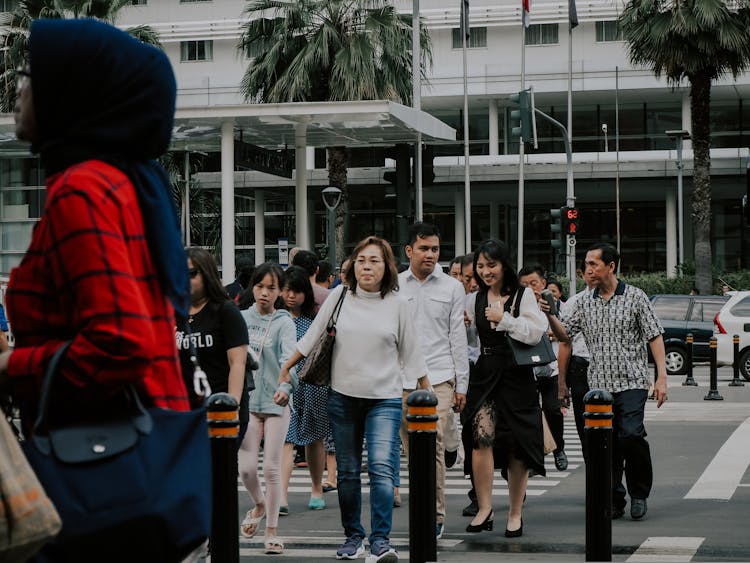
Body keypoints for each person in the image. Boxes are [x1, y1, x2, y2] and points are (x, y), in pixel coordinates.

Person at [0, 17, 193, 559]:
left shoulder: (83, 189)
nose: (17, 87)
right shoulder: (122, 181)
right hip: (137, 453)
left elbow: (120, 341)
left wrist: (9, 367)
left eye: (31, 75)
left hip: (100, 469)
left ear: (73, 92)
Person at [280, 236, 429, 563]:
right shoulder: (339, 297)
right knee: (346, 471)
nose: (367, 266)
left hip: (384, 400)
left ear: (386, 266)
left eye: (374, 260)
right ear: (353, 265)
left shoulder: (397, 304)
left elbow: (412, 352)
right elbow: (312, 336)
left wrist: (425, 388)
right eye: (362, 260)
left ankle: (380, 540)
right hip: (342, 398)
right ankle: (353, 537)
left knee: (380, 466)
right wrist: (286, 367)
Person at [547, 242, 668, 521]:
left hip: (632, 382)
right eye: (586, 264)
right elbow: (564, 335)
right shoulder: (583, 302)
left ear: (610, 266)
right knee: (606, 446)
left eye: (593, 264)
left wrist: (662, 377)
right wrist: (548, 315)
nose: (587, 270)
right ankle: (614, 498)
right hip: (598, 388)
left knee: (631, 434)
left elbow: (654, 336)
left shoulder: (636, 297)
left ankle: (639, 492)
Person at [464, 239, 547, 538]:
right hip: (485, 375)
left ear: (504, 266)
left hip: (517, 376)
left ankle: (514, 513)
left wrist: (505, 319)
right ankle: (484, 508)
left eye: (492, 265)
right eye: (481, 266)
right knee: (480, 436)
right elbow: (470, 342)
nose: (486, 272)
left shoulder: (523, 296)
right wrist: (466, 326)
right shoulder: (473, 299)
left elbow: (535, 332)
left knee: (517, 445)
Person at [398, 223, 469, 539]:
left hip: (439, 378)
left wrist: (461, 384)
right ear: (409, 250)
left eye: (435, 249)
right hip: (401, 379)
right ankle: (424, 504)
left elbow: (457, 336)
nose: (430, 254)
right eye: (424, 248)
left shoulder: (452, 288)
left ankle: (434, 514)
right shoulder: (395, 285)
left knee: (434, 444)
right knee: (413, 450)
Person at [238, 263, 298, 555]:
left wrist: (286, 388)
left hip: (276, 403)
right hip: (246, 403)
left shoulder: (285, 322)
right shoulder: (239, 318)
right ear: (253, 286)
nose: (264, 293)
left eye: (271, 288)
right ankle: (259, 504)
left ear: (280, 292)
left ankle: (272, 532)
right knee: (246, 468)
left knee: (272, 468)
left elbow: (291, 359)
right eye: (260, 286)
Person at [178, 247, 249, 438]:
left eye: (192, 273)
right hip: (185, 411)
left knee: (220, 467)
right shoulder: (172, 313)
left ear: (207, 274)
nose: (185, 278)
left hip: (221, 410)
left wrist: (231, 405)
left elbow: (238, 363)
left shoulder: (225, 311)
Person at [279, 266, 333, 513]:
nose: (291, 296)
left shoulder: (313, 321)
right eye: (287, 290)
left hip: (312, 386)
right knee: (285, 439)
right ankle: (281, 495)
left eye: (297, 291)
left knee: (314, 438)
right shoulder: (277, 320)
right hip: (284, 385)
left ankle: (316, 488)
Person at [517, 265, 568, 472]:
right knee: (530, 415)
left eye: (533, 283)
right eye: (524, 285)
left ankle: (559, 449)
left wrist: (549, 325)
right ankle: (533, 458)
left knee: (553, 411)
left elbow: (566, 334)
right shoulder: (518, 307)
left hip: (551, 368)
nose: (530, 289)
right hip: (527, 370)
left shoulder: (557, 306)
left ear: (543, 284)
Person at [557, 262, 595, 459]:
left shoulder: (624, 299)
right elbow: (565, 343)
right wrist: (562, 384)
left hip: (609, 369)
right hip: (580, 367)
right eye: (587, 268)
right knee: (585, 428)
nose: (591, 271)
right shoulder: (574, 302)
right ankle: (594, 476)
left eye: (595, 266)